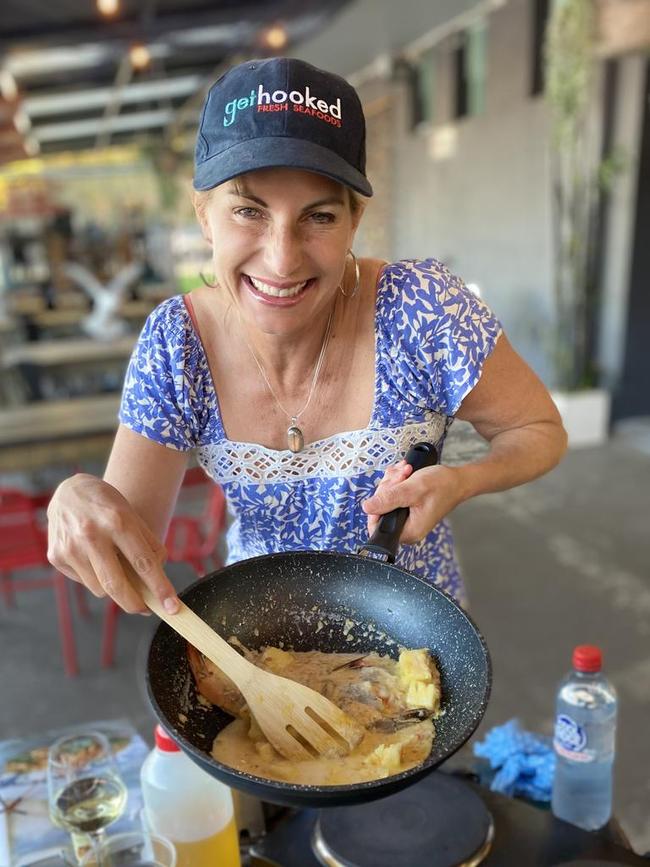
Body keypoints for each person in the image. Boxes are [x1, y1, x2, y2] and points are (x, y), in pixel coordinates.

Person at [47, 57, 567, 615]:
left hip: (418, 633)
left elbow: (538, 430)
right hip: (258, 640)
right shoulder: (177, 345)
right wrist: (75, 499)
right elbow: (129, 563)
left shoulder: (421, 308)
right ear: (203, 216)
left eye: (318, 217)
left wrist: (461, 482)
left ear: (354, 220)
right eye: (249, 210)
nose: (282, 258)